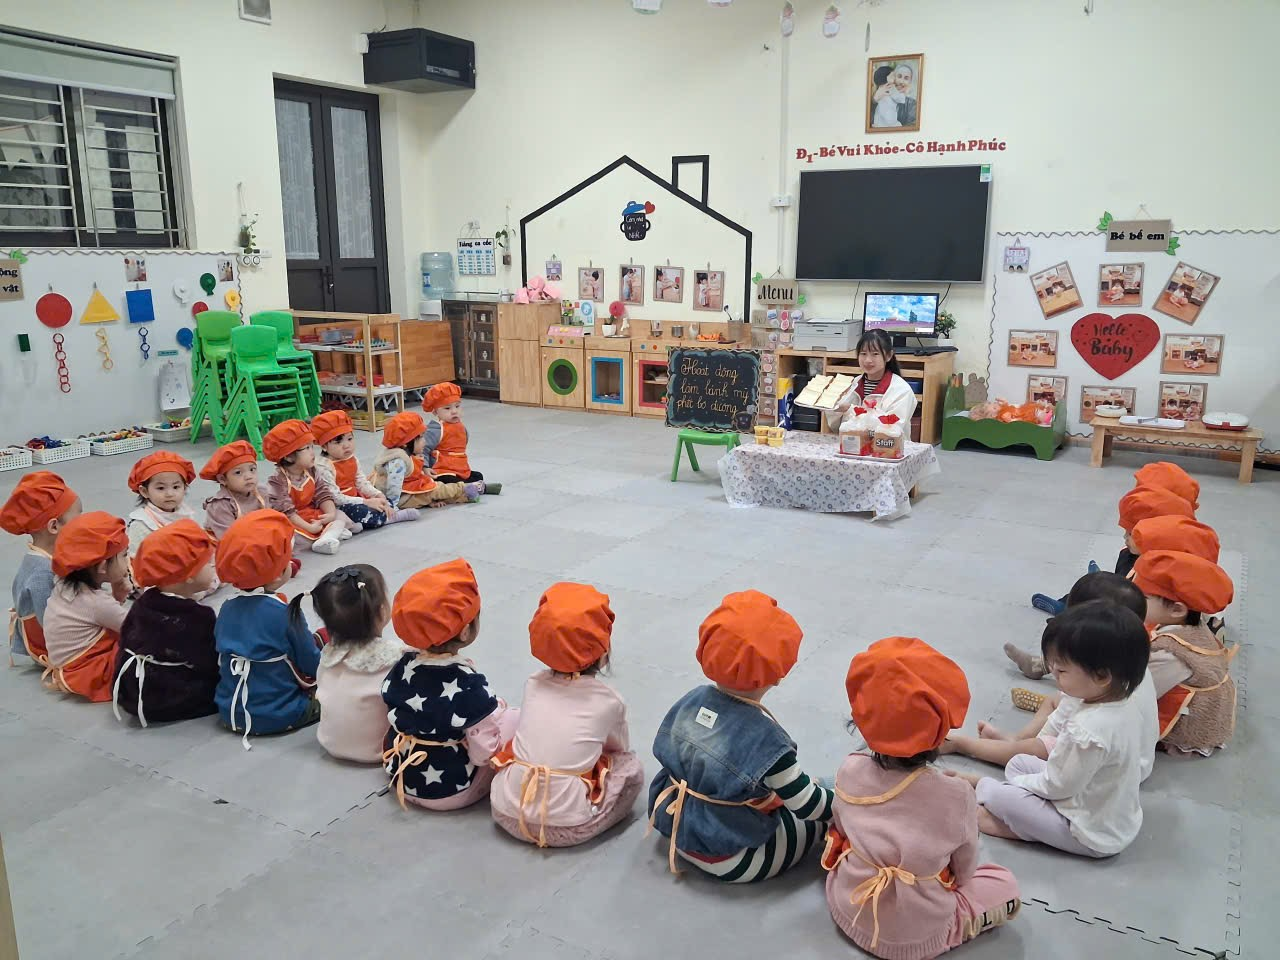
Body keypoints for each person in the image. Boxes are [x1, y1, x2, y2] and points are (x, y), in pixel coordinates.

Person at [824, 637, 1020, 958]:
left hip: (848, 906)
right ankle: (960, 926)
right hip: (916, 936)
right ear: (941, 732)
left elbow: (842, 829)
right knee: (1002, 882)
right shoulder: (956, 795)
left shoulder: (850, 768)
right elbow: (964, 872)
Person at [647, 590, 834, 881]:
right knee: (823, 801)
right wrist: (842, 805)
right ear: (778, 674)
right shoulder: (768, 741)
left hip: (675, 828)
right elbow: (807, 805)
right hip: (735, 860)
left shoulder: (690, 701)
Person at [955, 600, 1149, 858]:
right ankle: (1018, 815)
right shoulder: (1122, 702)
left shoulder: (1089, 730)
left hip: (1088, 832)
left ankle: (994, 801)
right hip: (1100, 807)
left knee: (1003, 796)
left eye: (1062, 671)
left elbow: (1058, 786)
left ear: (1102, 676)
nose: (1054, 675)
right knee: (1018, 763)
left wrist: (1018, 787)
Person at [950, 573, 1158, 784]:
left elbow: (1054, 784)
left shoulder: (1091, 705)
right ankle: (1016, 740)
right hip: (1132, 759)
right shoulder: (1124, 667)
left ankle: (965, 745)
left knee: (1034, 748)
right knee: (1054, 700)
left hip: (1105, 770)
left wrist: (1024, 749)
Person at [491, 582, 645, 847]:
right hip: (571, 827)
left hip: (506, 813)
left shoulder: (533, 683)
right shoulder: (609, 700)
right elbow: (617, 750)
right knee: (631, 768)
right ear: (603, 652)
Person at [381, 559, 518, 809]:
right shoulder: (470, 685)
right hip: (451, 791)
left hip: (401, 775)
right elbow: (483, 753)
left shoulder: (401, 666)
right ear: (465, 631)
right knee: (511, 718)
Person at [214, 511, 321, 748]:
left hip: (229, 712)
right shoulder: (285, 613)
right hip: (281, 715)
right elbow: (312, 664)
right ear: (278, 574)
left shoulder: (226, 608)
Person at [1027, 480, 1195, 619]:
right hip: (1124, 594)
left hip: (1122, 614)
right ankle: (1086, 590)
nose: (1125, 537)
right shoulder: (1132, 554)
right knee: (1104, 578)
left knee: (1095, 590)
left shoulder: (1160, 570)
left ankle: (1068, 609)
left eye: (1131, 534)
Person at [112, 520, 219, 727]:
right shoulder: (197, 616)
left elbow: (124, 640)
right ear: (189, 575)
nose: (212, 568)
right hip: (169, 698)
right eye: (207, 563)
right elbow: (209, 663)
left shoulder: (143, 602)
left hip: (133, 691)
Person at [1134, 550, 1236, 755]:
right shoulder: (1184, 623)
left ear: (1177, 610)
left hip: (1192, 724)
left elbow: (1138, 693)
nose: (1134, 601)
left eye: (1142, 597)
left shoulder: (1173, 655)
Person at [312, 564, 408, 763]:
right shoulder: (395, 656)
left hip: (329, 743)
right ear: (383, 611)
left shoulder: (328, 655)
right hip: (379, 750)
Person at [43, 512, 131, 702]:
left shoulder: (62, 583)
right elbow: (135, 627)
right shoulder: (96, 602)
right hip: (87, 671)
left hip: (66, 665)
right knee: (142, 647)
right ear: (102, 566)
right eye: (124, 555)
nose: (128, 561)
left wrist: (116, 596)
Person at [1, 471, 81, 667]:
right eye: (78, 518)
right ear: (54, 527)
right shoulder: (42, 573)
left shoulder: (39, 559)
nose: (83, 523)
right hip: (49, 645)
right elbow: (50, 623)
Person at [263, 419, 359, 556]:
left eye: (312, 446)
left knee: (340, 515)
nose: (312, 453)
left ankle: (326, 539)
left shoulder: (312, 471)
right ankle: (330, 534)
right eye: (306, 448)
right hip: (294, 520)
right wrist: (309, 527)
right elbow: (286, 512)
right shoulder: (277, 481)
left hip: (312, 514)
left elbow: (323, 494)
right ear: (289, 457)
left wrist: (330, 514)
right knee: (286, 535)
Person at [311, 409, 419, 529]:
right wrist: (366, 502)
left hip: (357, 497)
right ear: (324, 446)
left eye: (350, 439)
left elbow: (362, 483)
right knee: (361, 511)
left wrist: (378, 495)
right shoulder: (323, 466)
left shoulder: (352, 459)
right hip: (339, 505)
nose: (346, 445)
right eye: (338, 442)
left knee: (382, 500)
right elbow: (335, 497)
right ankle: (391, 518)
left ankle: (380, 514)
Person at [369, 412, 482, 510]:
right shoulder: (398, 461)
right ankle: (466, 489)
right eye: (421, 437)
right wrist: (392, 508)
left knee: (435, 489)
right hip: (402, 497)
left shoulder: (408, 453)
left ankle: (466, 492)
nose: (424, 441)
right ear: (406, 443)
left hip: (408, 489)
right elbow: (393, 489)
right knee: (435, 491)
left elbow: (416, 476)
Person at [827, 329, 919, 431]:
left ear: (888, 356)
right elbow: (836, 427)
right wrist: (831, 408)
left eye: (875, 354)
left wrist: (850, 410)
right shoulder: (852, 385)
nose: (868, 360)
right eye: (863, 354)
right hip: (851, 440)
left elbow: (890, 429)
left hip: (885, 442)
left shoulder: (901, 390)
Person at [422, 382, 501, 492]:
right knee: (449, 481)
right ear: (435, 412)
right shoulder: (436, 429)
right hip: (441, 470)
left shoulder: (462, 427)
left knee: (478, 475)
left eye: (457, 406)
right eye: (447, 408)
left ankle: (469, 488)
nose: (454, 411)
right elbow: (423, 449)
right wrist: (425, 468)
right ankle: (474, 489)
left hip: (460, 469)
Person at [125, 451, 201, 555]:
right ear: (144, 491)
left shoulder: (186, 514)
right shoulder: (142, 524)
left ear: (184, 488)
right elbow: (135, 558)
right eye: (161, 488)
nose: (169, 494)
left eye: (176, 487)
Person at [870, 64, 904, 128]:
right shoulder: (890, 87)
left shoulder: (880, 88)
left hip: (883, 112)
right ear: (884, 77)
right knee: (889, 118)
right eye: (892, 76)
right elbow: (898, 97)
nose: (894, 78)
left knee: (881, 118)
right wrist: (902, 97)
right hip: (887, 111)